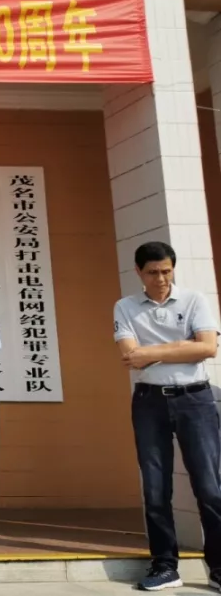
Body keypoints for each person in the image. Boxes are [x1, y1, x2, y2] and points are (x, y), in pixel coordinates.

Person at [113, 241, 221, 592]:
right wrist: (183, 346)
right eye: (152, 272)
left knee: (210, 487)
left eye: (166, 271)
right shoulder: (125, 306)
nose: (160, 279)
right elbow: (131, 357)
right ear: (138, 272)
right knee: (156, 487)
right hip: (149, 402)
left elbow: (208, 347)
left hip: (195, 400)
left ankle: (218, 567)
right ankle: (164, 565)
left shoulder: (194, 300)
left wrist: (154, 352)